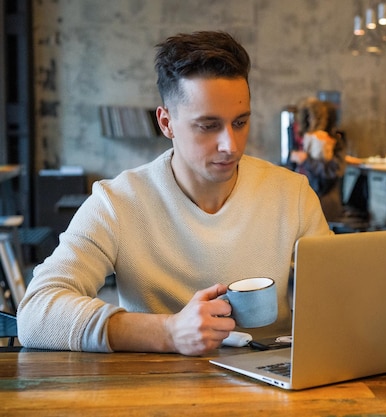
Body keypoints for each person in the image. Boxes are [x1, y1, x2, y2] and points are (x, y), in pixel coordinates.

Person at [16, 31, 332, 356]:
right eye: (208, 126)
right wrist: (168, 332)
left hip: (276, 387)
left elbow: (341, 297)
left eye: (240, 122)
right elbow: (37, 312)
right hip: (159, 389)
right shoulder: (118, 203)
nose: (231, 146)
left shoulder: (292, 195)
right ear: (166, 122)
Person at [290, 97, 345, 221]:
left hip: (324, 201)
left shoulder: (332, 141)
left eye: (312, 117)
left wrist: (306, 160)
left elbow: (334, 170)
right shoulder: (300, 140)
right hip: (301, 200)